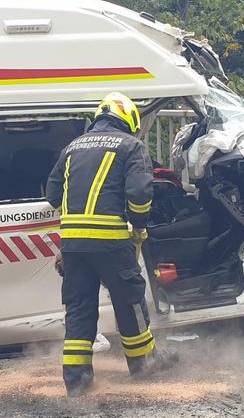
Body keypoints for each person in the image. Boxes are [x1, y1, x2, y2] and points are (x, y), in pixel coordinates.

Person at [45, 92, 176, 397]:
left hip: (74, 246)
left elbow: (53, 195)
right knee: (129, 301)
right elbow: (140, 193)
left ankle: (77, 382)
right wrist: (139, 225)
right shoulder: (131, 146)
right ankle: (143, 364)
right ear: (128, 118)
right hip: (111, 242)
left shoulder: (72, 148)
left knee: (79, 308)